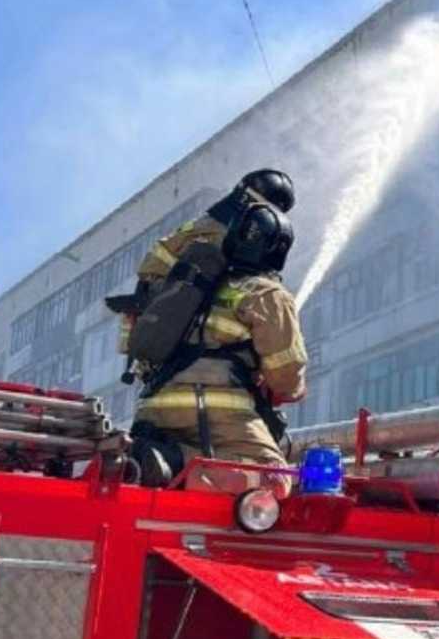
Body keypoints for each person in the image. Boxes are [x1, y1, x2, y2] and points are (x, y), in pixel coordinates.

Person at [121, 169, 307, 483]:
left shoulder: (195, 278)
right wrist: (293, 385)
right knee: (274, 478)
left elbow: (151, 271)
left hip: (152, 404)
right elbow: (285, 379)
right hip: (215, 411)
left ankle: (156, 457)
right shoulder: (266, 294)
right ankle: (176, 462)